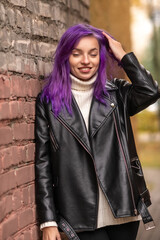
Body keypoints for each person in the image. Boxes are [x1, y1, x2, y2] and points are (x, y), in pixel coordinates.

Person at [35, 24, 160, 240]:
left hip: (123, 206)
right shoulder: (48, 101)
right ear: (65, 56)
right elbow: (43, 161)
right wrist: (48, 220)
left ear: (101, 57)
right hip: (80, 211)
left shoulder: (117, 93)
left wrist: (123, 56)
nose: (86, 61)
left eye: (93, 54)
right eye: (77, 54)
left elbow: (150, 91)